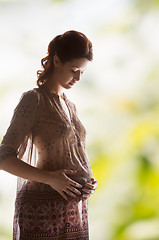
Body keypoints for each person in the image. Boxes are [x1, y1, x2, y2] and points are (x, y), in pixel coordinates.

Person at [0, 30, 97, 240]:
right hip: (42, 210)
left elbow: (73, 156)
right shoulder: (33, 100)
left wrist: (87, 181)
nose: (78, 77)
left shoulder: (70, 106)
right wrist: (51, 179)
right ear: (56, 60)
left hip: (73, 212)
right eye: (74, 70)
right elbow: (3, 158)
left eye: (82, 72)